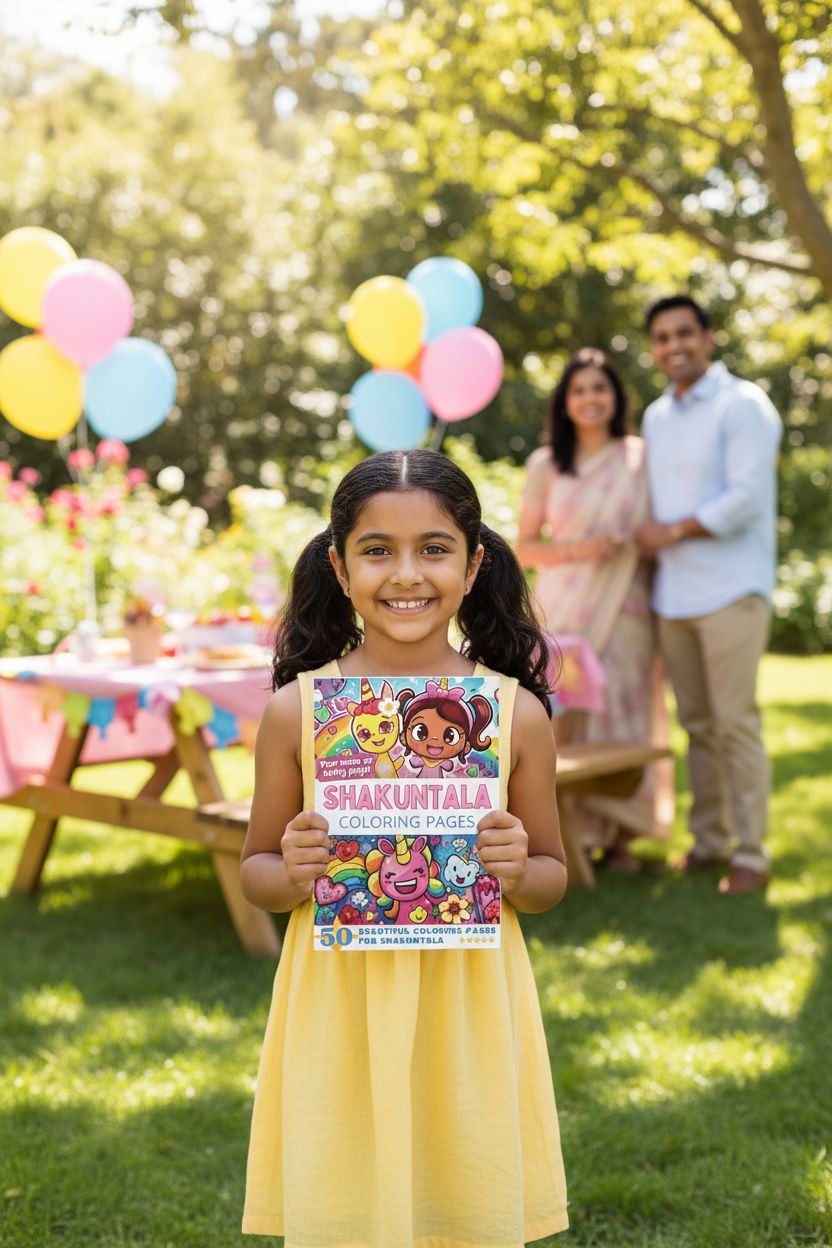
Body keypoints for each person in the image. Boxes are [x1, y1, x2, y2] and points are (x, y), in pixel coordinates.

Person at [240, 449, 569, 1247]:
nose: (406, 574)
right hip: (340, 1000)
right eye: (377, 549)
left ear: (473, 561)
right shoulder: (298, 712)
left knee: (465, 1189)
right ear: (340, 566)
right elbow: (258, 872)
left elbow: (551, 877)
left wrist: (520, 866)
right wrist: (293, 868)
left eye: (434, 547)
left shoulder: (512, 713)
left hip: (470, 998)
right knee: (346, 1195)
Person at [636, 295, 782, 895]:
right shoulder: (655, 416)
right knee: (696, 724)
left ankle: (751, 852)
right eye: (663, 338)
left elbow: (744, 498)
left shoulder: (742, 404)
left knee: (734, 723)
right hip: (675, 595)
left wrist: (670, 531)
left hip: (732, 589)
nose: (674, 346)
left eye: (684, 334)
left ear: (709, 337)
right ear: (654, 348)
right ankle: (709, 841)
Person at [518, 348, 673, 869]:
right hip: (563, 604)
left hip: (625, 603)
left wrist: (637, 541)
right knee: (563, 715)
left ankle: (623, 837)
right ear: (565, 400)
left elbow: (659, 530)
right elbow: (524, 546)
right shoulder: (546, 463)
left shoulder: (642, 457)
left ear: (615, 398)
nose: (590, 399)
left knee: (623, 710)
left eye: (599, 389)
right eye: (579, 389)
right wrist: (579, 550)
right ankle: (565, 833)